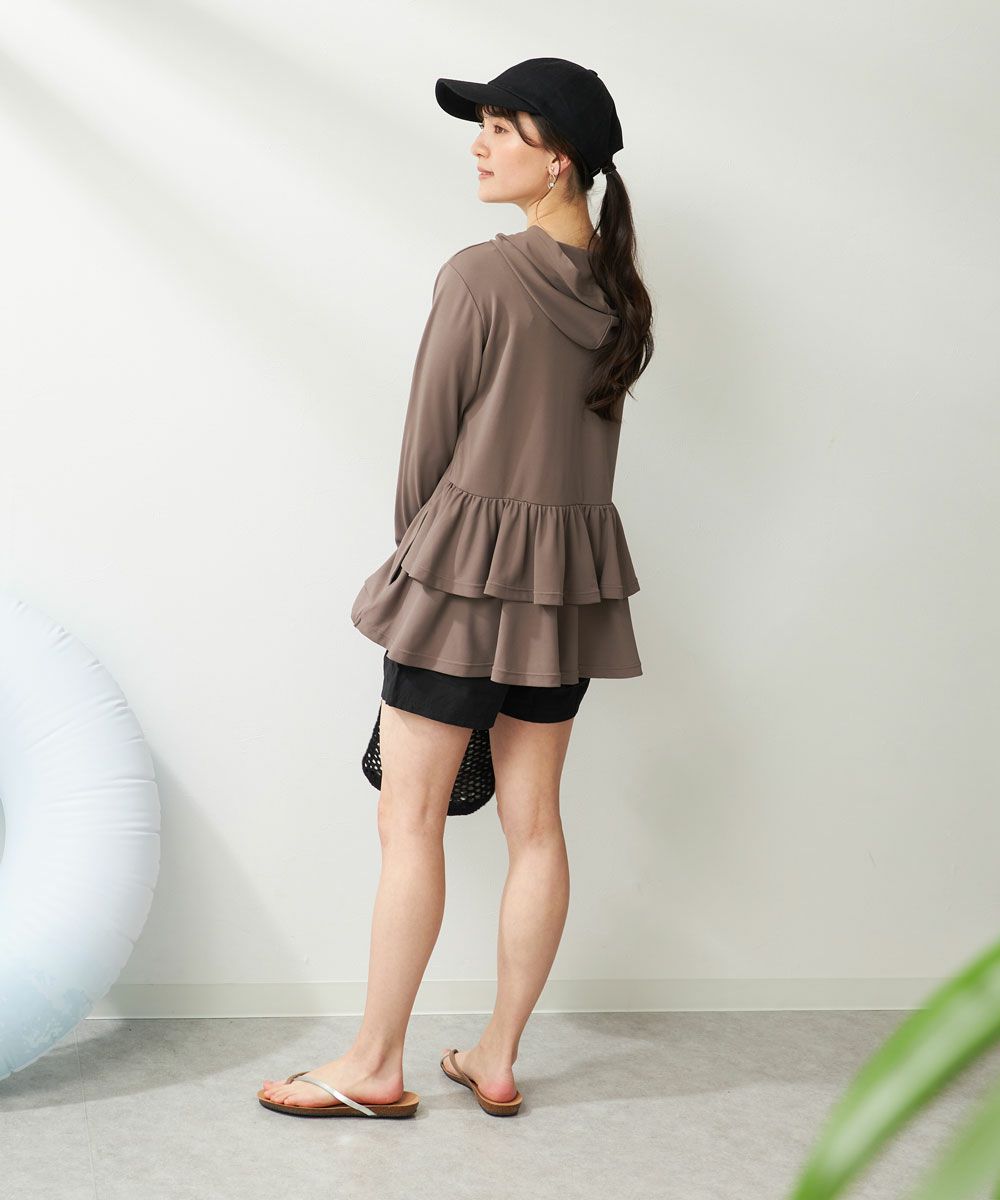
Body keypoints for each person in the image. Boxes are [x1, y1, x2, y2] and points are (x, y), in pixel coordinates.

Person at [259, 57, 655, 1120]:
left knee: (410, 822)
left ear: (558, 160)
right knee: (537, 825)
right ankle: (497, 1056)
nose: (479, 145)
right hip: (566, 592)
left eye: (501, 128)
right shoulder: (619, 293)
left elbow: (424, 453)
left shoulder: (481, 277)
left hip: (463, 581)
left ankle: (374, 1064)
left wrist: (419, 558)